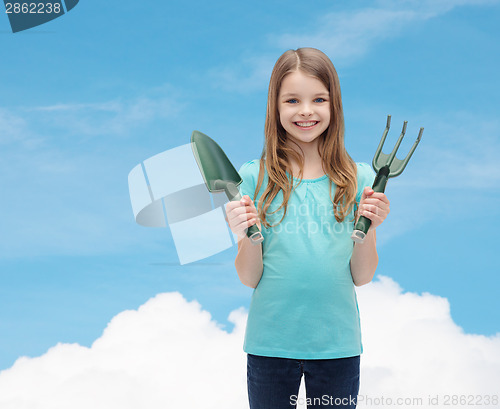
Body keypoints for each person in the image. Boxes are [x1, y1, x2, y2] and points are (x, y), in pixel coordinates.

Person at [225, 48, 390, 409]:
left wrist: (371, 224)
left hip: (337, 347)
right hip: (270, 345)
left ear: (334, 106)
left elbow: (362, 276)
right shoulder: (253, 177)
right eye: (292, 100)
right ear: (276, 107)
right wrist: (246, 233)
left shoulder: (360, 179)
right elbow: (249, 278)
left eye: (318, 99)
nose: (305, 111)